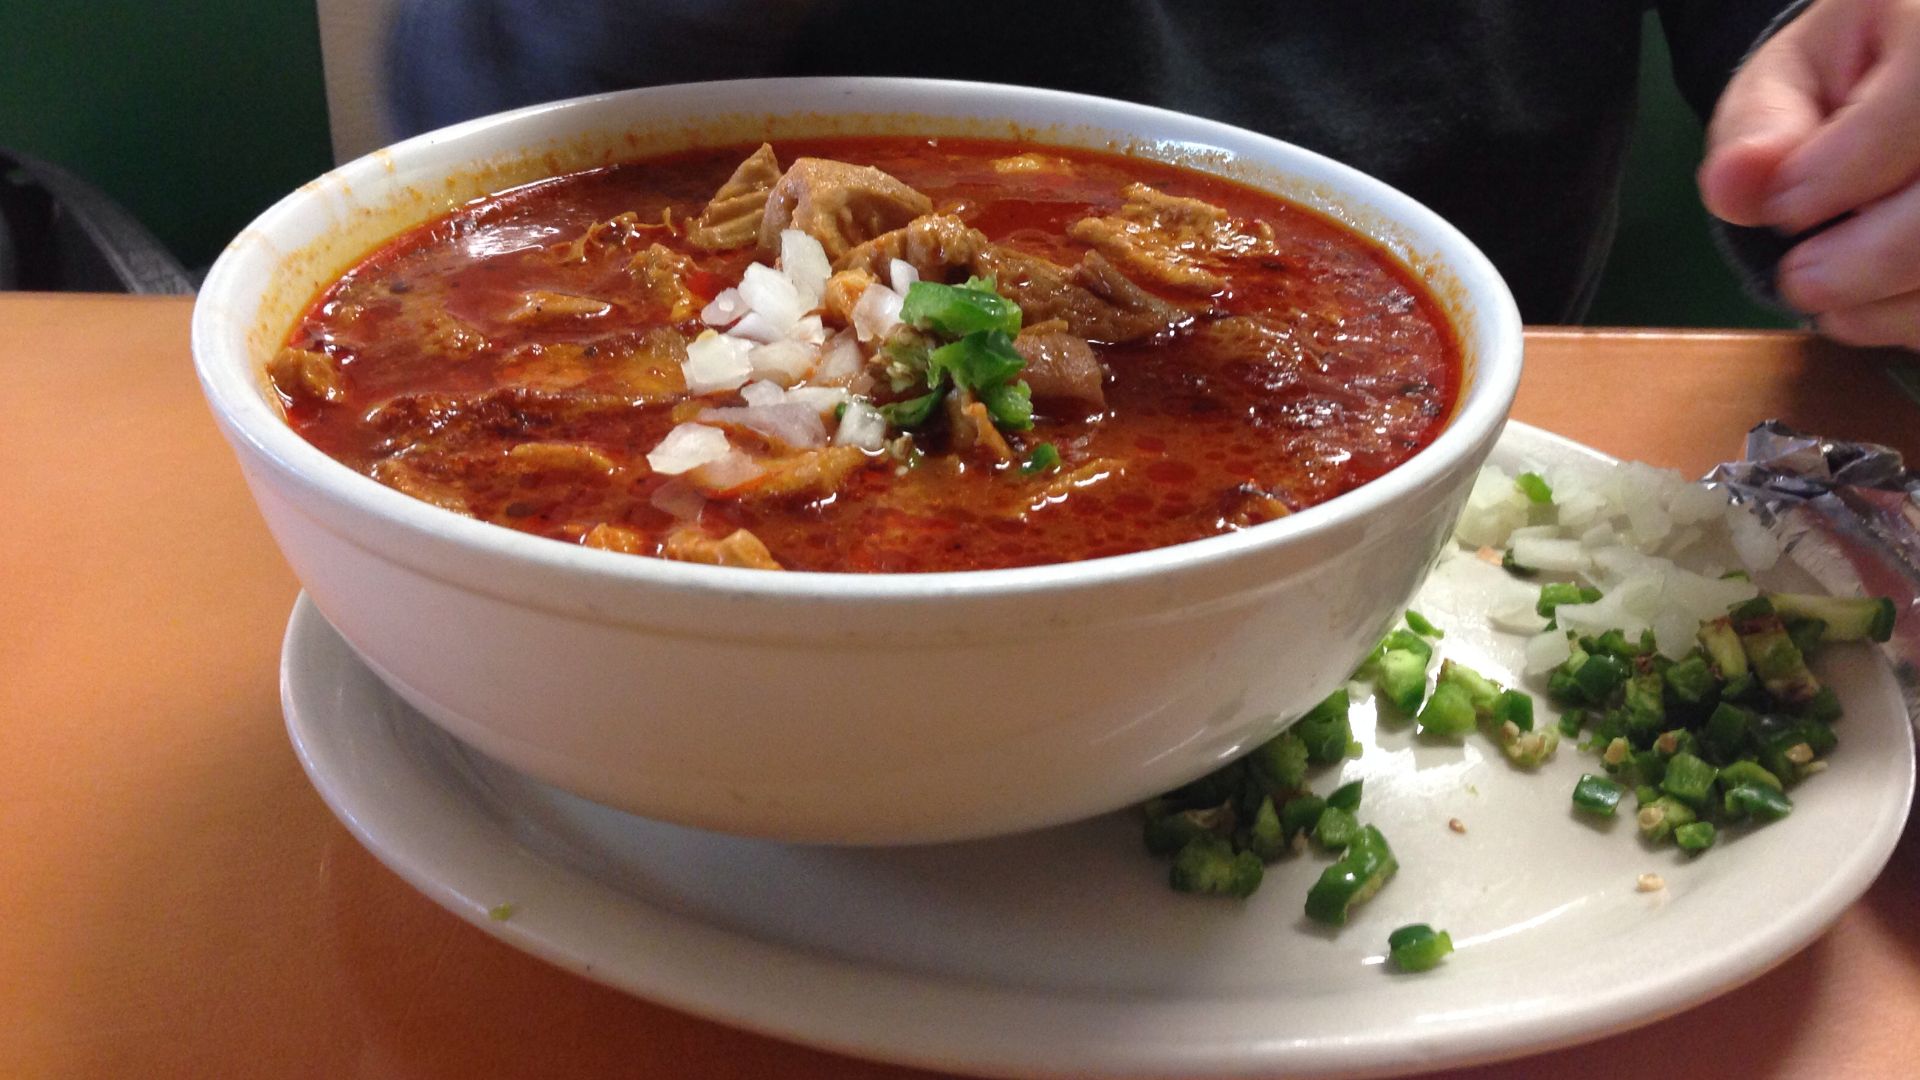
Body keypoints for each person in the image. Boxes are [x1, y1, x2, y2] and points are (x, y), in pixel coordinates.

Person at [385, 0, 1920, 350]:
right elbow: (480, 139)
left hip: (1434, 529)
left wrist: (1863, 110)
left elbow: (1821, 48)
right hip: (635, 698)